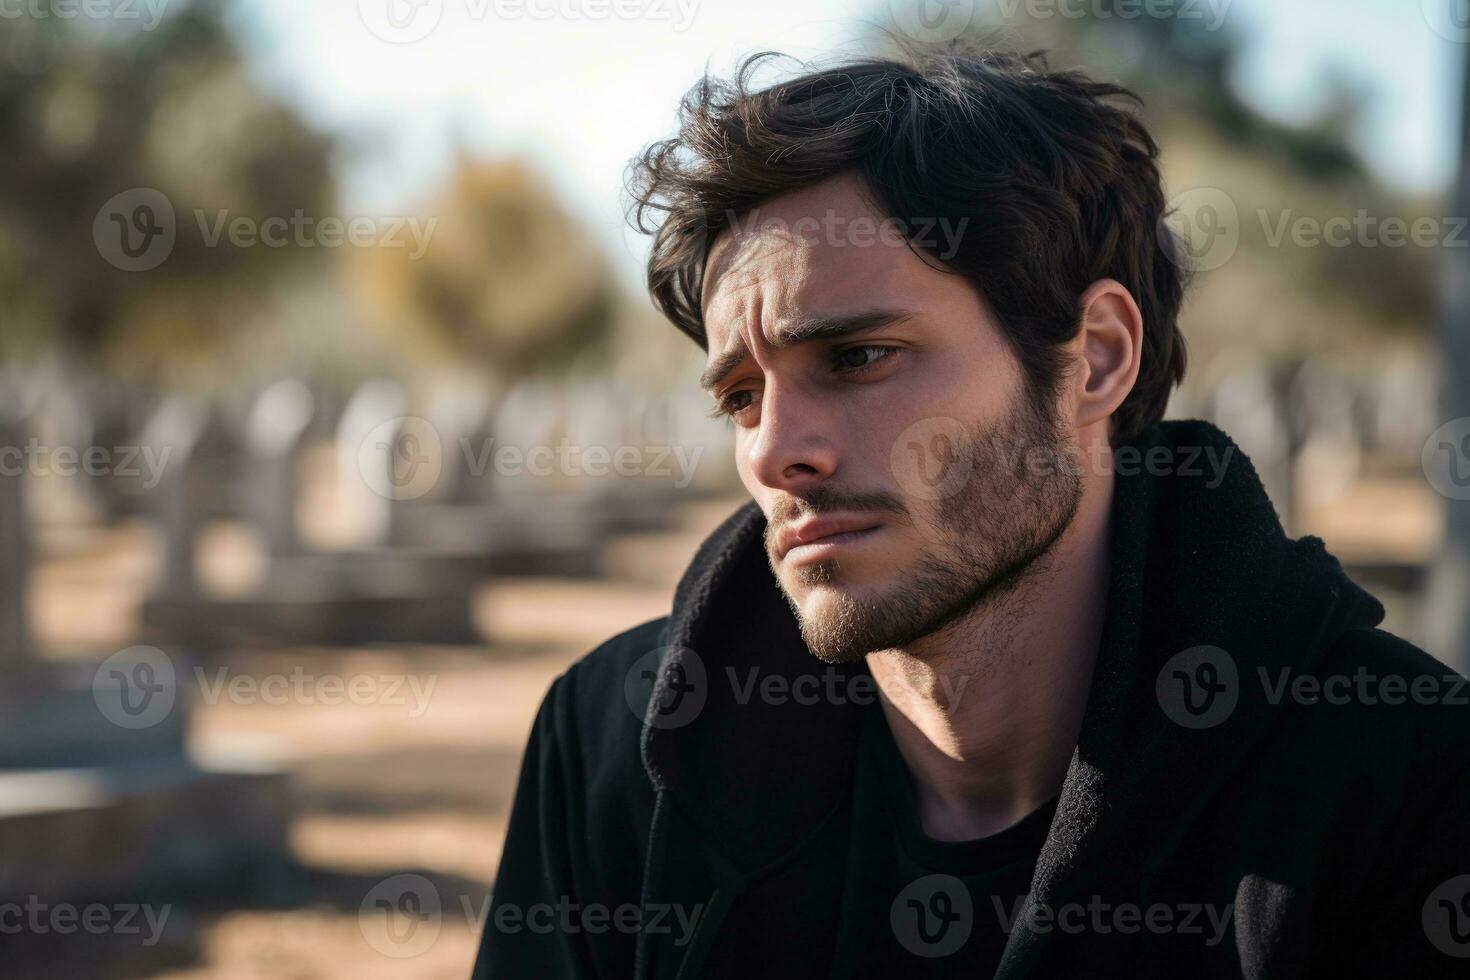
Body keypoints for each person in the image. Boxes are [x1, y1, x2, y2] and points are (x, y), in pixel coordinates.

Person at [472, 46, 1470, 978]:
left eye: (859, 357)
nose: (776, 450)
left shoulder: (1405, 787)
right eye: (740, 395)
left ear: (1097, 357)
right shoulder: (614, 748)